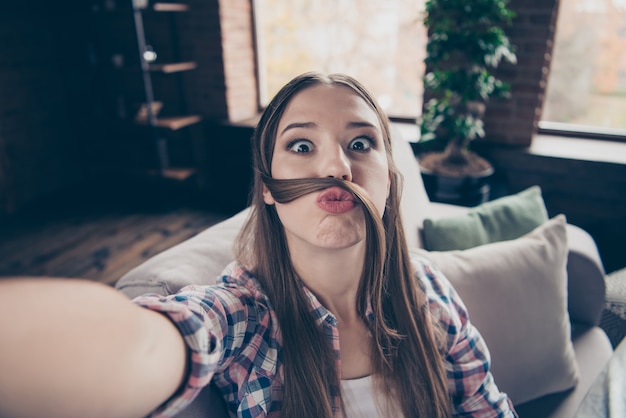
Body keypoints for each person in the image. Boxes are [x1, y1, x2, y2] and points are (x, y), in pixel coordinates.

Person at [0, 72, 516, 418]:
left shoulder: (430, 293)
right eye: (301, 145)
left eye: (361, 143)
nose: (336, 167)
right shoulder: (245, 316)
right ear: (268, 188)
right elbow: (147, 342)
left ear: (389, 179)